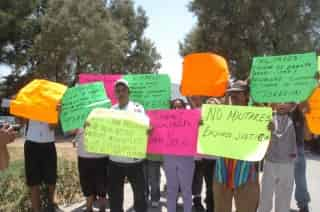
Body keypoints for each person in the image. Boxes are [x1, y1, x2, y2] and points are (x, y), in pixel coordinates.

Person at [213, 80, 260, 212]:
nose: (233, 96)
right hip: (222, 170)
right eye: (231, 93)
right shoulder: (219, 115)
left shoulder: (257, 115)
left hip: (246, 171)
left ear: (246, 96)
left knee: (247, 208)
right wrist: (203, 124)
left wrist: (268, 129)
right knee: (221, 209)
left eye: (237, 93)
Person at [108, 79, 148, 212]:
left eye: (123, 90)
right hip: (115, 161)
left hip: (135, 162)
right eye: (117, 91)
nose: (120, 93)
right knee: (115, 198)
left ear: (128, 92)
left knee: (140, 196)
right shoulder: (110, 110)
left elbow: (144, 126)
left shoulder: (138, 108)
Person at [258, 103, 297, 212]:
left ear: (292, 105)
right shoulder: (266, 116)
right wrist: (265, 127)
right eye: (279, 100)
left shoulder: (296, 116)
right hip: (270, 163)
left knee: (284, 198)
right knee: (265, 196)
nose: (282, 104)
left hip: (287, 164)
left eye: (286, 101)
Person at [163, 98, 195, 212]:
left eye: (180, 106)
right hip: (169, 158)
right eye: (174, 107)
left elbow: (196, 112)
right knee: (171, 190)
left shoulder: (191, 120)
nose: (177, 109)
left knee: (186, 190)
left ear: (184, 108)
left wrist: (188, 97)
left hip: (186, 158)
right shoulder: (165, 121)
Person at [22, 119, 59, 212]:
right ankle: (36, 210)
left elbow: (52, 127)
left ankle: (51, 206)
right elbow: (20, 122)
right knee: (33, 182)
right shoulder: (28, 103)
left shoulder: (53, 104)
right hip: (31, 143)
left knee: (51, 179)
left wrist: (57, 114)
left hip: (48, 143)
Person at [72, 128, 108, 212]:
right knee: (86, 184)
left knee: (102, 185)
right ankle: (88, 209)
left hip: (102, 155)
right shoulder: (79, 116)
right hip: (83, 156)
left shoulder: (105, 114)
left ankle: (102, 209)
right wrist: (75, 133)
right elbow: (71, 130)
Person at [291, 104, 311, 212]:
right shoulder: (281, 110)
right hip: (281, 151)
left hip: (298, 149)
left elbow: (308, 137)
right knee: (283, 181)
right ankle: (282, 203)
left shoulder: (301, 114)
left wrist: (306, 117)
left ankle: (303, 205)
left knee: (300, 180)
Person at [188, 95, 206, 212]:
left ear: (202, 98)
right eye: (193, 97)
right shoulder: (186, 111)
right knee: (188, 179)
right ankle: (188, 199)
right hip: (188, 154)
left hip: (201, 154)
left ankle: (197, 199)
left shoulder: (208, 111)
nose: (195, 99)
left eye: (197, 97)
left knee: (198, 178)